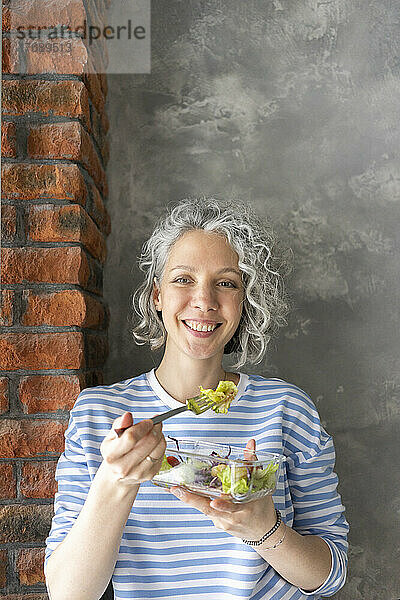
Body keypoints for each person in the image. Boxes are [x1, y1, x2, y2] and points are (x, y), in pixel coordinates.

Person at [44, 197, 349, 600]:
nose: (204, 301)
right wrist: (115, 480)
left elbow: (331, 574)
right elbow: (68, 594)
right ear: (157, 295)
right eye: (184, 278)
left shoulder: (287, 410)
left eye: (226, 282)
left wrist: (264, 528)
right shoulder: (100, 415)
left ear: (244, 301)